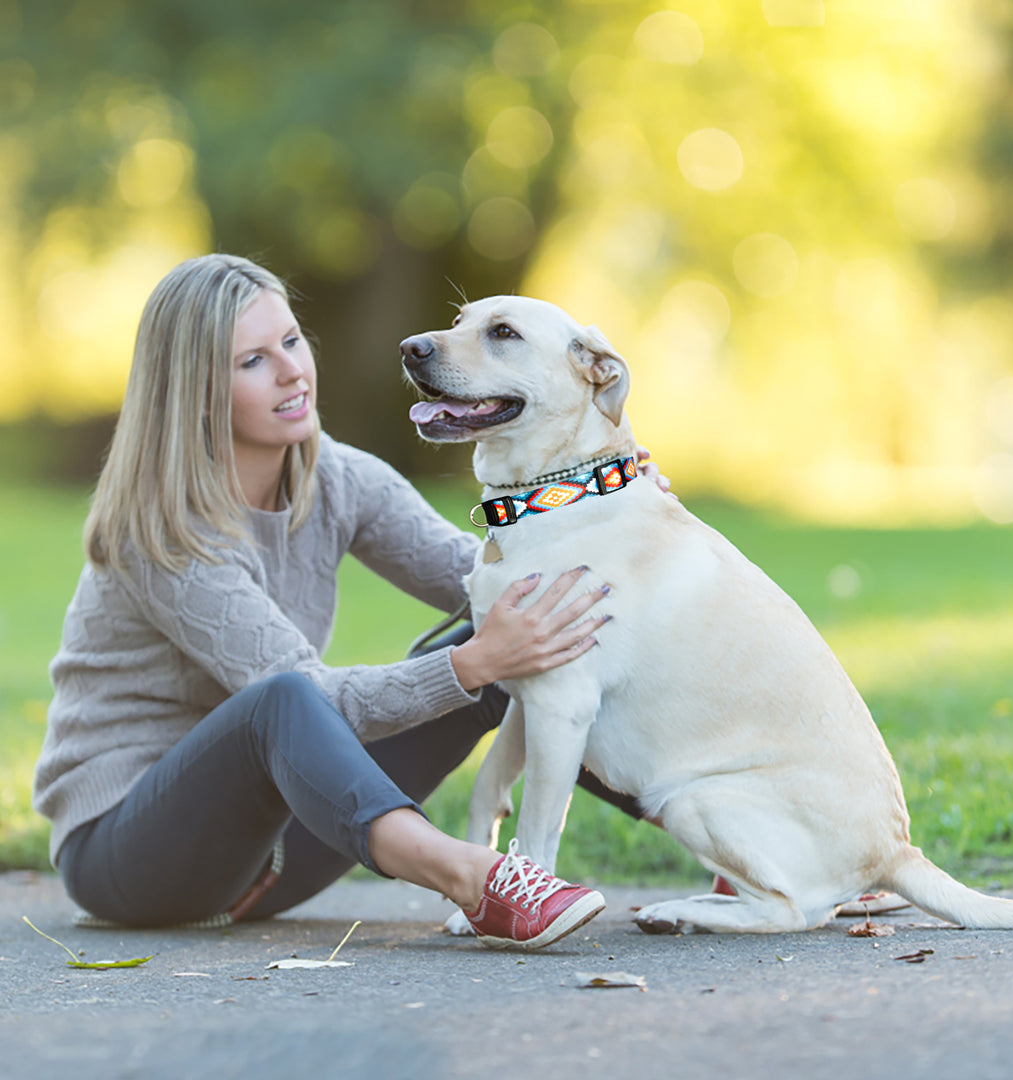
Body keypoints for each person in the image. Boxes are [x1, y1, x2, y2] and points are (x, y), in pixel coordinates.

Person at [31, 253, 653, 949]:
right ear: (195, 391)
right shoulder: (159, 535)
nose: (293, 371)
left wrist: (619, 529)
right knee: (291, 698)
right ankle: (480, 881)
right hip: (135, 859)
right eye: (253, 362)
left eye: (292, 342)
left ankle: (715, 811)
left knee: (540, 623)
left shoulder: (339, 479)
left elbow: (497, 582)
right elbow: (310, 701)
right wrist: (473, 665)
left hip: (282, 850)